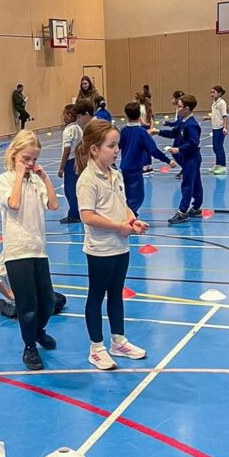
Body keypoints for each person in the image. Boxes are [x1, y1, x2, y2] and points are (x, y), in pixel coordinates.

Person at [75, 120, 148, 371]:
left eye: (117, 145)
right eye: (112, 145)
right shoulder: (87, 180)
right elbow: (87, 216)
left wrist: (132, 220)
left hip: (121, 246)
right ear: (94, 149)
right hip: (100, 250)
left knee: (116, 294)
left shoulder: (115, 174)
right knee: (96, 296)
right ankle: (96, 348)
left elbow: (122, 204)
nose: (117, 150)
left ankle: (118, 341)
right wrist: (119, 227)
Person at [0, 130, 58, 371]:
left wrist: (45, 178)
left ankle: (39, 332)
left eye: (34, 159)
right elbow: (14, 204)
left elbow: (53, 205)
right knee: (28, 306)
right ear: (14, 155)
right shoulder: (5, 180)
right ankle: (29, 347)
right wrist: (19, 175)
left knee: (48, 301)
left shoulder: (35, 181)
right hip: (17, 252)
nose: (31, 163)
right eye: (26, 159)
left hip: (38, 249)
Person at [119, 100, 172, 216]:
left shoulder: (123, 131)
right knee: (137, 197)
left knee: (128, 194)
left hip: (124, 168)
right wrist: (168, 160)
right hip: (135, 168)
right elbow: (153, 150)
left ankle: (128, 215)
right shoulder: (141, 133)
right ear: (140, 115)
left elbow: (116, 147)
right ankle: (129, 217)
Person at [159, 95, 203, 225]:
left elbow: (193, 143)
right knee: (195, 182)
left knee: (187, 185)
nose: (177, 109)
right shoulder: (183, 121)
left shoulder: (191, 125)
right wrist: (158, 132)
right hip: (188, 157)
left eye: (179, 107)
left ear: (187, 109)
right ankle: (196, 208)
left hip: (192, 158)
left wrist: (178, 149)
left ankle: (182, 212)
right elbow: (174, 133)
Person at [0, 251, 66, 320]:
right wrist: (10, 296)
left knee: (61, 299)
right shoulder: (9, 254)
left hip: (28, 291)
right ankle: (15, 307)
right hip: (22, 296)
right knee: (56, 303)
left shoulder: (24, 251)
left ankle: (18, 307)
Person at [57, 104, 82, 224]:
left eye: (64, 114)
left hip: (70, 162)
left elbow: (67, 150)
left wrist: (61, 168)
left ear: (69, 116)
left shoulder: (68, 131)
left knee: (70, 190)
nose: (63, 117)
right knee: (75, 189)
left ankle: (74, 214)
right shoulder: (79, 128)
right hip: (78, 160)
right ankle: (77, 212)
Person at [205, 86, 228, 174]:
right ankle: (218, 165)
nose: (211, 94)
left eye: (213, 92)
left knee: (219, 148)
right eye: (211, 92)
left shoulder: (222, 103)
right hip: (215, 128)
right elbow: (217, 115)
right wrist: (208, 118)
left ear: (219, 93)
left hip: (220, 128)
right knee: (215, 148)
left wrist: (225, 127)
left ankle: (222, 167)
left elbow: (224, 116)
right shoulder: (214, 103)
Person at [138, 88, 154, 172]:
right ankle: (149, 166)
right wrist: (151, 128)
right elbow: (151, 120)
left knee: (142, 148)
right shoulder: (148, 107)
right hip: (148, 128)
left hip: (142, 128)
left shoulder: (138, 107)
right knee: (148, 148)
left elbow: (141, 120)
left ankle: (144, 166)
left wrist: (145, 124)